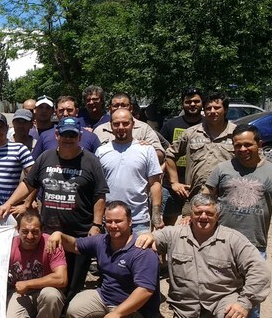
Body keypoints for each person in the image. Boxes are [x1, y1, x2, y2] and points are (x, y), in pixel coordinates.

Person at [135, 194, 271, 318]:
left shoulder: (233, 239)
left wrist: (245, 302)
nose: (203, 217)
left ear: (218, 215)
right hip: (188, 305)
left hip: (223, 299)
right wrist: (147, 236)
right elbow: (152, 238)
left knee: (235, 314)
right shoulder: (174, 234)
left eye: (209, 213)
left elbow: (259, 270)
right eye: (198, 212)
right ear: (191, 214)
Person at [0, 117, 108, 317]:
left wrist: (97, 224)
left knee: (73, 281)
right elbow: (29, 184)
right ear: (57, 135)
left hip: (79, 233)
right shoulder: (46, 157)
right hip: (48, 232)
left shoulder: (91, 161)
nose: (68, 138)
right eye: (64, 134)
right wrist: (8, 204)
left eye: (73, 135)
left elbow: (100, 195)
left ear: (79, 137)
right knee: (50, 278)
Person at [205, 124, 272, 318]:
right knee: (220, 285)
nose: (243, 149)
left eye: (247, 144)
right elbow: (207, 199)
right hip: (221, 240)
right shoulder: (222, 169)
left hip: (255, 242)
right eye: (238, 145)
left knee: (251, 290)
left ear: (259, 145)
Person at [49, 201, 160, 318]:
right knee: (74, 311)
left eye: (118, 221)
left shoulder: (142, 250)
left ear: (130, 221)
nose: (113, 225)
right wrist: (59, 235)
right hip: (106, 297)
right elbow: (76, 245)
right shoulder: (102, 241)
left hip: (138, 310)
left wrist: (117, 313)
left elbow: (145, 291)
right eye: (108, 221)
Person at [7, 209, 67, 318]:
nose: (30, 236)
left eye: (35, 232)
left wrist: (28, 283)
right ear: (17, 230)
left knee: (51, 295)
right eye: (25, 231)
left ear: (42, 230)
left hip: (44, 291)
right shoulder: (9, 245)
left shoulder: (51, 244)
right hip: (21, 294)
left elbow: (61, 278)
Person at [165, 93, 236, 218]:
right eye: (208, 108)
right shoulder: (191, 133)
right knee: (191, 234)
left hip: (228, 198)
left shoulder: (236, 133)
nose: (212, 111)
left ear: (225, 110)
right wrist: (174, 182)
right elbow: (170, 154)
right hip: (195, 198)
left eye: (217, 108)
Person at [95, 109, 163, 233]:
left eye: (125, 123)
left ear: (133, 124)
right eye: (116, 124)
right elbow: (96, 188)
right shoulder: (101, 151)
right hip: (110, 221)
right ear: (111, 126)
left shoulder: (147, 149)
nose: (121, 127)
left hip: (139, 221)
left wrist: (156, 215)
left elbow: (155, 184)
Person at [160, 87, 205, 225]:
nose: (192, 104)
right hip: (172, 185)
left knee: (197, 222)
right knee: (169, 223)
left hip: (198, 185)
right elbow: (164, 153)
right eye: (188, 101)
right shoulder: (170, 125)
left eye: (196, 101)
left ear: (202, 103)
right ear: (182, 103)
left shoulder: (207, 125)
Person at [93, 92, 164, 162]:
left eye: (123, 105)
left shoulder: (144, 128)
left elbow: (160, 155)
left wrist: (146, 151)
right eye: (116, 105)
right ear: (110, 108)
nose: (119, 108)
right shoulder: (99, 130)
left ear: (131, 108)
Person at [32, 96, 100, 159]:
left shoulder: (91, 137)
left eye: (69, 110)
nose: (65, 114)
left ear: (76, 111)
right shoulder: (45, 136)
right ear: (56, 112)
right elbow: (33, 165)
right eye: (61, 110)